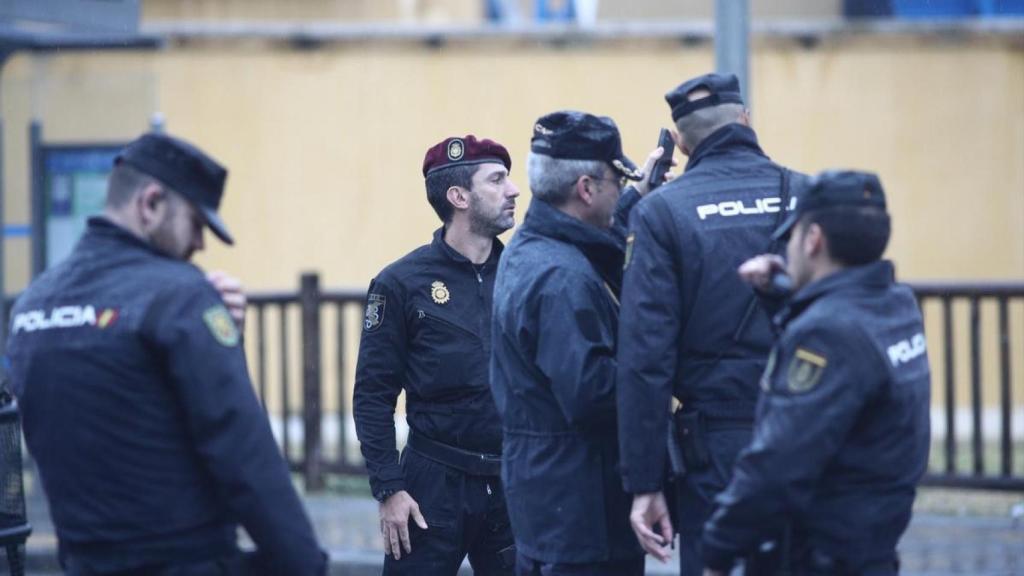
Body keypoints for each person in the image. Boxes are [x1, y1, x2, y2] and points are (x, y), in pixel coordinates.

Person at [6, 132, 327, 575]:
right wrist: (305, 563)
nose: (200, 245)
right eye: (196, 223)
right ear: (151, 204)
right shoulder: (180, 297)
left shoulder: (32, 307)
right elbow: (242, 450)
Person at [615, 72, 805, 574]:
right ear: (745, 119)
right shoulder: (809, 196)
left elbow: (644, 358)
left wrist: (645, 483)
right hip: (811, 431)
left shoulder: (660, 213)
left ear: (677, 141)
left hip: (716, 451)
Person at [701, 170, 931, 576]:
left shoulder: (825, 333)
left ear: (813, 240)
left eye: (792, 237)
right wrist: (785, 296)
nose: (788, 248)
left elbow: (777, 463)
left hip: (818, 555)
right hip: (872, 544)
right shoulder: (896, 305)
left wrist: (719, 547)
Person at [490, 110, 670, 576]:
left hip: (552, 502)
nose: (617, 189)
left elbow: (592, 237)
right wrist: (659, 366)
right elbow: (593, 394)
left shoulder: (534, 248)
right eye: (615, 180)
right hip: (582, 519)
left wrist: (634, 196)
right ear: (587, 189)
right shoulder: (562, 280)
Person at [352, 135, 520, 575]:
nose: (514, 190)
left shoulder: (526, 273)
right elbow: (372, 394)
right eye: (498, 180)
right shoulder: (400, 283)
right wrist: (389, 489)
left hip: (513, 482)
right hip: (433, 484)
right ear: (459, 196)